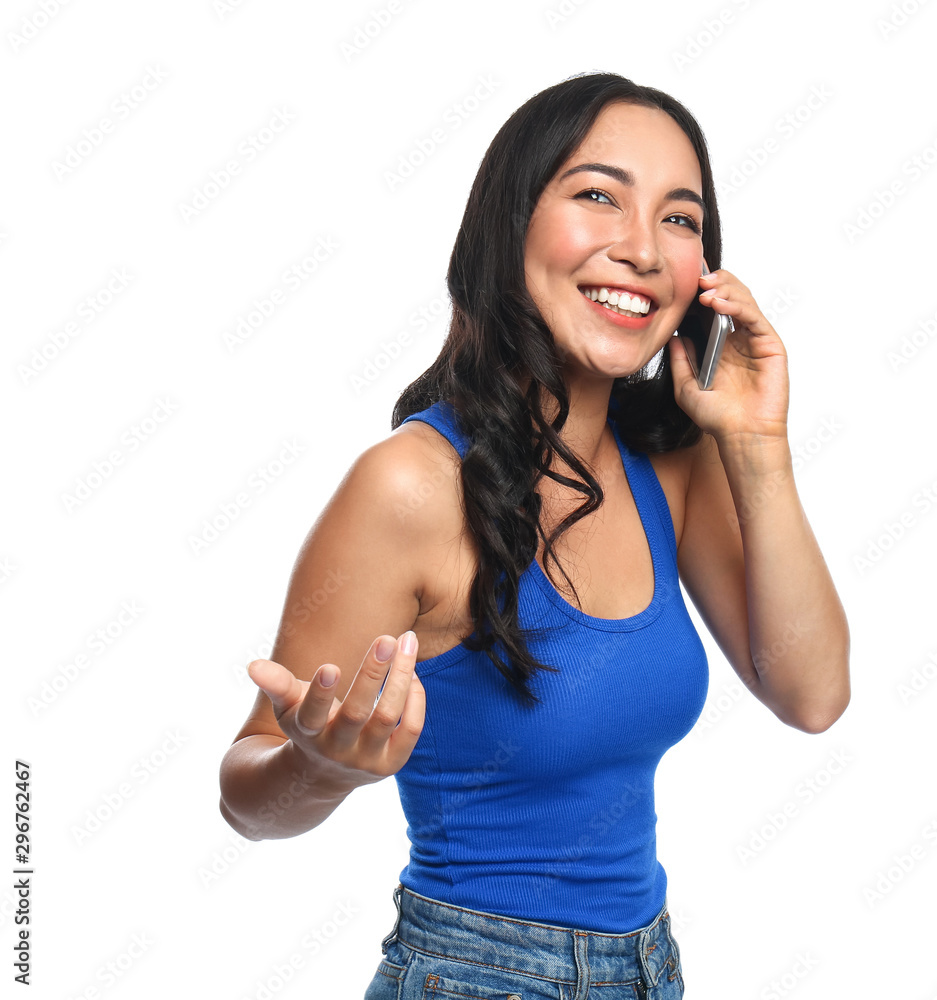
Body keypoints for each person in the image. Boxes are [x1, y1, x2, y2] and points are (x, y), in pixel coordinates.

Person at [218, 72, 850, 998]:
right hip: (476, 975)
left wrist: (755, 445)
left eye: (679, 219)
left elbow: (813, 694)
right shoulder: (409, 487)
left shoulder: (669, 465)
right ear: (507, 224)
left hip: (650, 969)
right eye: (597, 196)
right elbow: (246, 798)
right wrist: (318, 767)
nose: (641, 248)